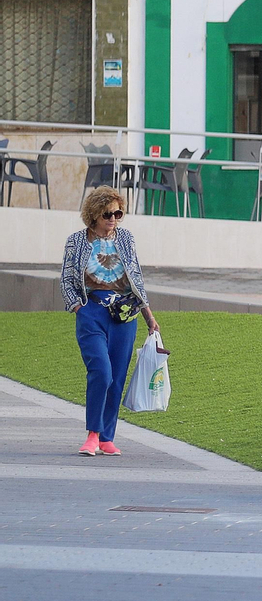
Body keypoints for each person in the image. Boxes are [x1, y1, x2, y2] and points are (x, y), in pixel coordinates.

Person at [59, 187, 162, 457]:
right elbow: (67, 278)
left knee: (116, 378)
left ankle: (107, 437)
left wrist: (149, 316)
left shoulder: (126, 238)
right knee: (101, 373)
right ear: (94, 214)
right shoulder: (77, 241)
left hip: (124, 314)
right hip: (91, 312)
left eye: (118, 213)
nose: (114, 219)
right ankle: (92, 435)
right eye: (108, 214)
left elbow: (136, 278)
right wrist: (78, 307)